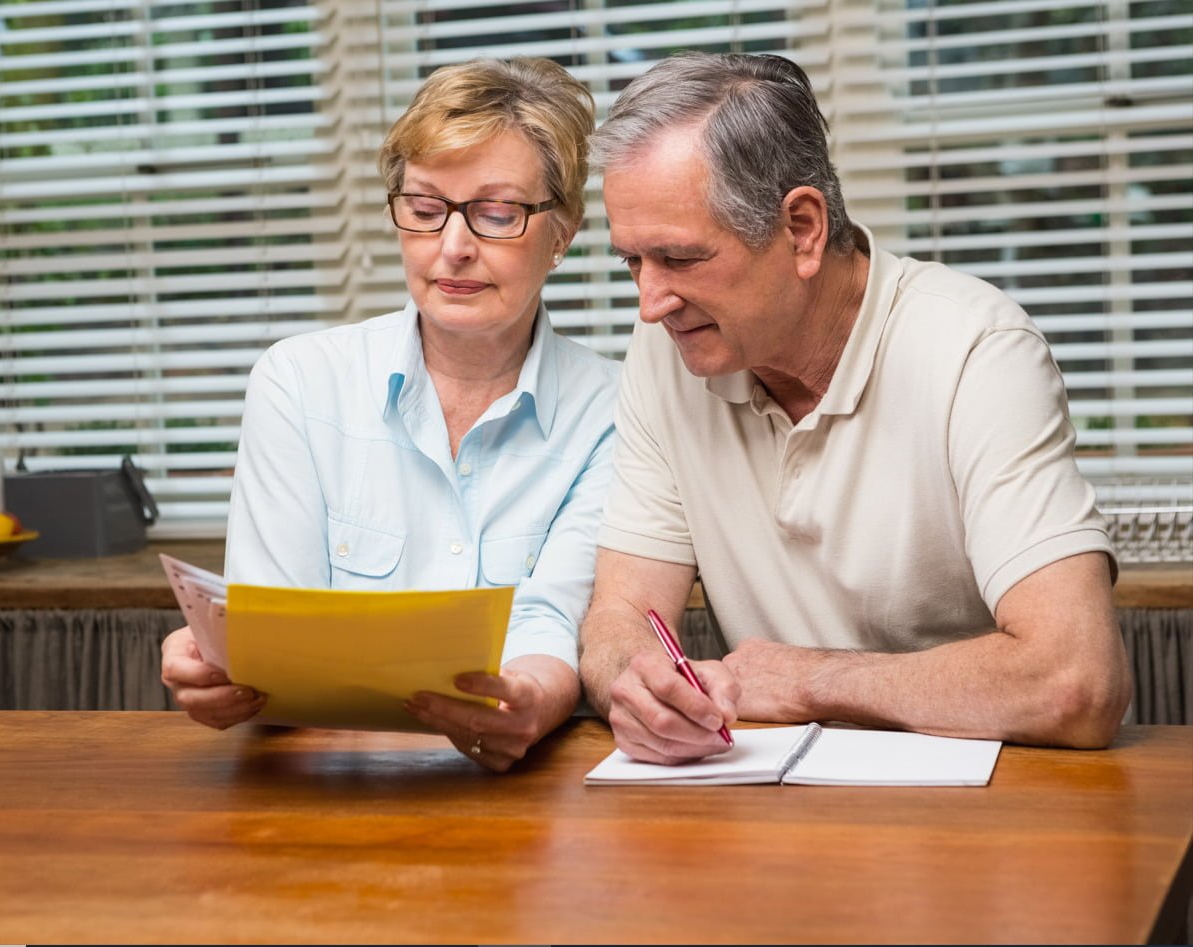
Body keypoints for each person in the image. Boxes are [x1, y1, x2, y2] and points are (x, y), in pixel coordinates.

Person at [577, 52, 1131, 764]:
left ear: (802, 228)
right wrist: (639, 684)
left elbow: (1075, 679)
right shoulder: (667, 351)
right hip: (780, 812)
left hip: (998, 817)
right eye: (632, 262)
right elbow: (620, 615)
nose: (649, 303)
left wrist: (810, 679)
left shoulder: (975, 348)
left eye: (680, 259)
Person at [161, 58, 619, 772]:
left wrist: (534, 695)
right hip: (320, 789)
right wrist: (221, 666)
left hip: (522, 792)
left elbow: (550, 617)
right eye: (426, 207)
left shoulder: (613, 410)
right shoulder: (300, 382)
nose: (454, 247)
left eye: (497, 213)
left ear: (561, 233)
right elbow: (275, 631)